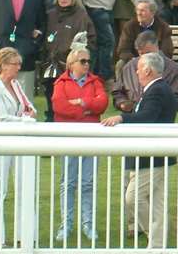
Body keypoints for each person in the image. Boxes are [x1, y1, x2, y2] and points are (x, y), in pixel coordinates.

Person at [99, 51, 178, 247]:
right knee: (157, 203)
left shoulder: (157, 90)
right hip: (157, 155)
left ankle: (153, 236)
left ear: (147, 69)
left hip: (151, 155)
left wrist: (121, 117)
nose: (136, 73)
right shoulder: (159, 89)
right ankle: (157, 246)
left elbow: (147, 117)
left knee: (133, 198)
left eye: (138, 69)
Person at [50, 47, 107, 241]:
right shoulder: (61, 83)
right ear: (71, 64)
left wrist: (82, 103)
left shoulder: (96, 81)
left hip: (91, 138)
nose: (87, 64)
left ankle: (88, 224)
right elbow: (59, 106)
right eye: (82, 61)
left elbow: (103, 103)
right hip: (69, 139)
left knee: (88, 182)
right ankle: (66, 224)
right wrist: (87, 111)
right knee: (68, 182)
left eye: (88, 61)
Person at [0, 47, 38, 247]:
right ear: (4, 65)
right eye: (15, 64)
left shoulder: (16, 85)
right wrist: (24, 120)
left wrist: (28, 115)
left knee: (25, 186)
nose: (19, 68)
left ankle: (25, 235)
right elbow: (0, 117)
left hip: (19, 141)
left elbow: (30, 107)